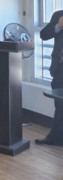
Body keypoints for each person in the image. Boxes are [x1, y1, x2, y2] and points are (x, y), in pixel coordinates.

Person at [37, 10, 63, 146]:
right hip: (60, 69)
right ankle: (55, 138)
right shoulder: (59, 15)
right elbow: (44, 35)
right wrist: (58, 26)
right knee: (60, 105)